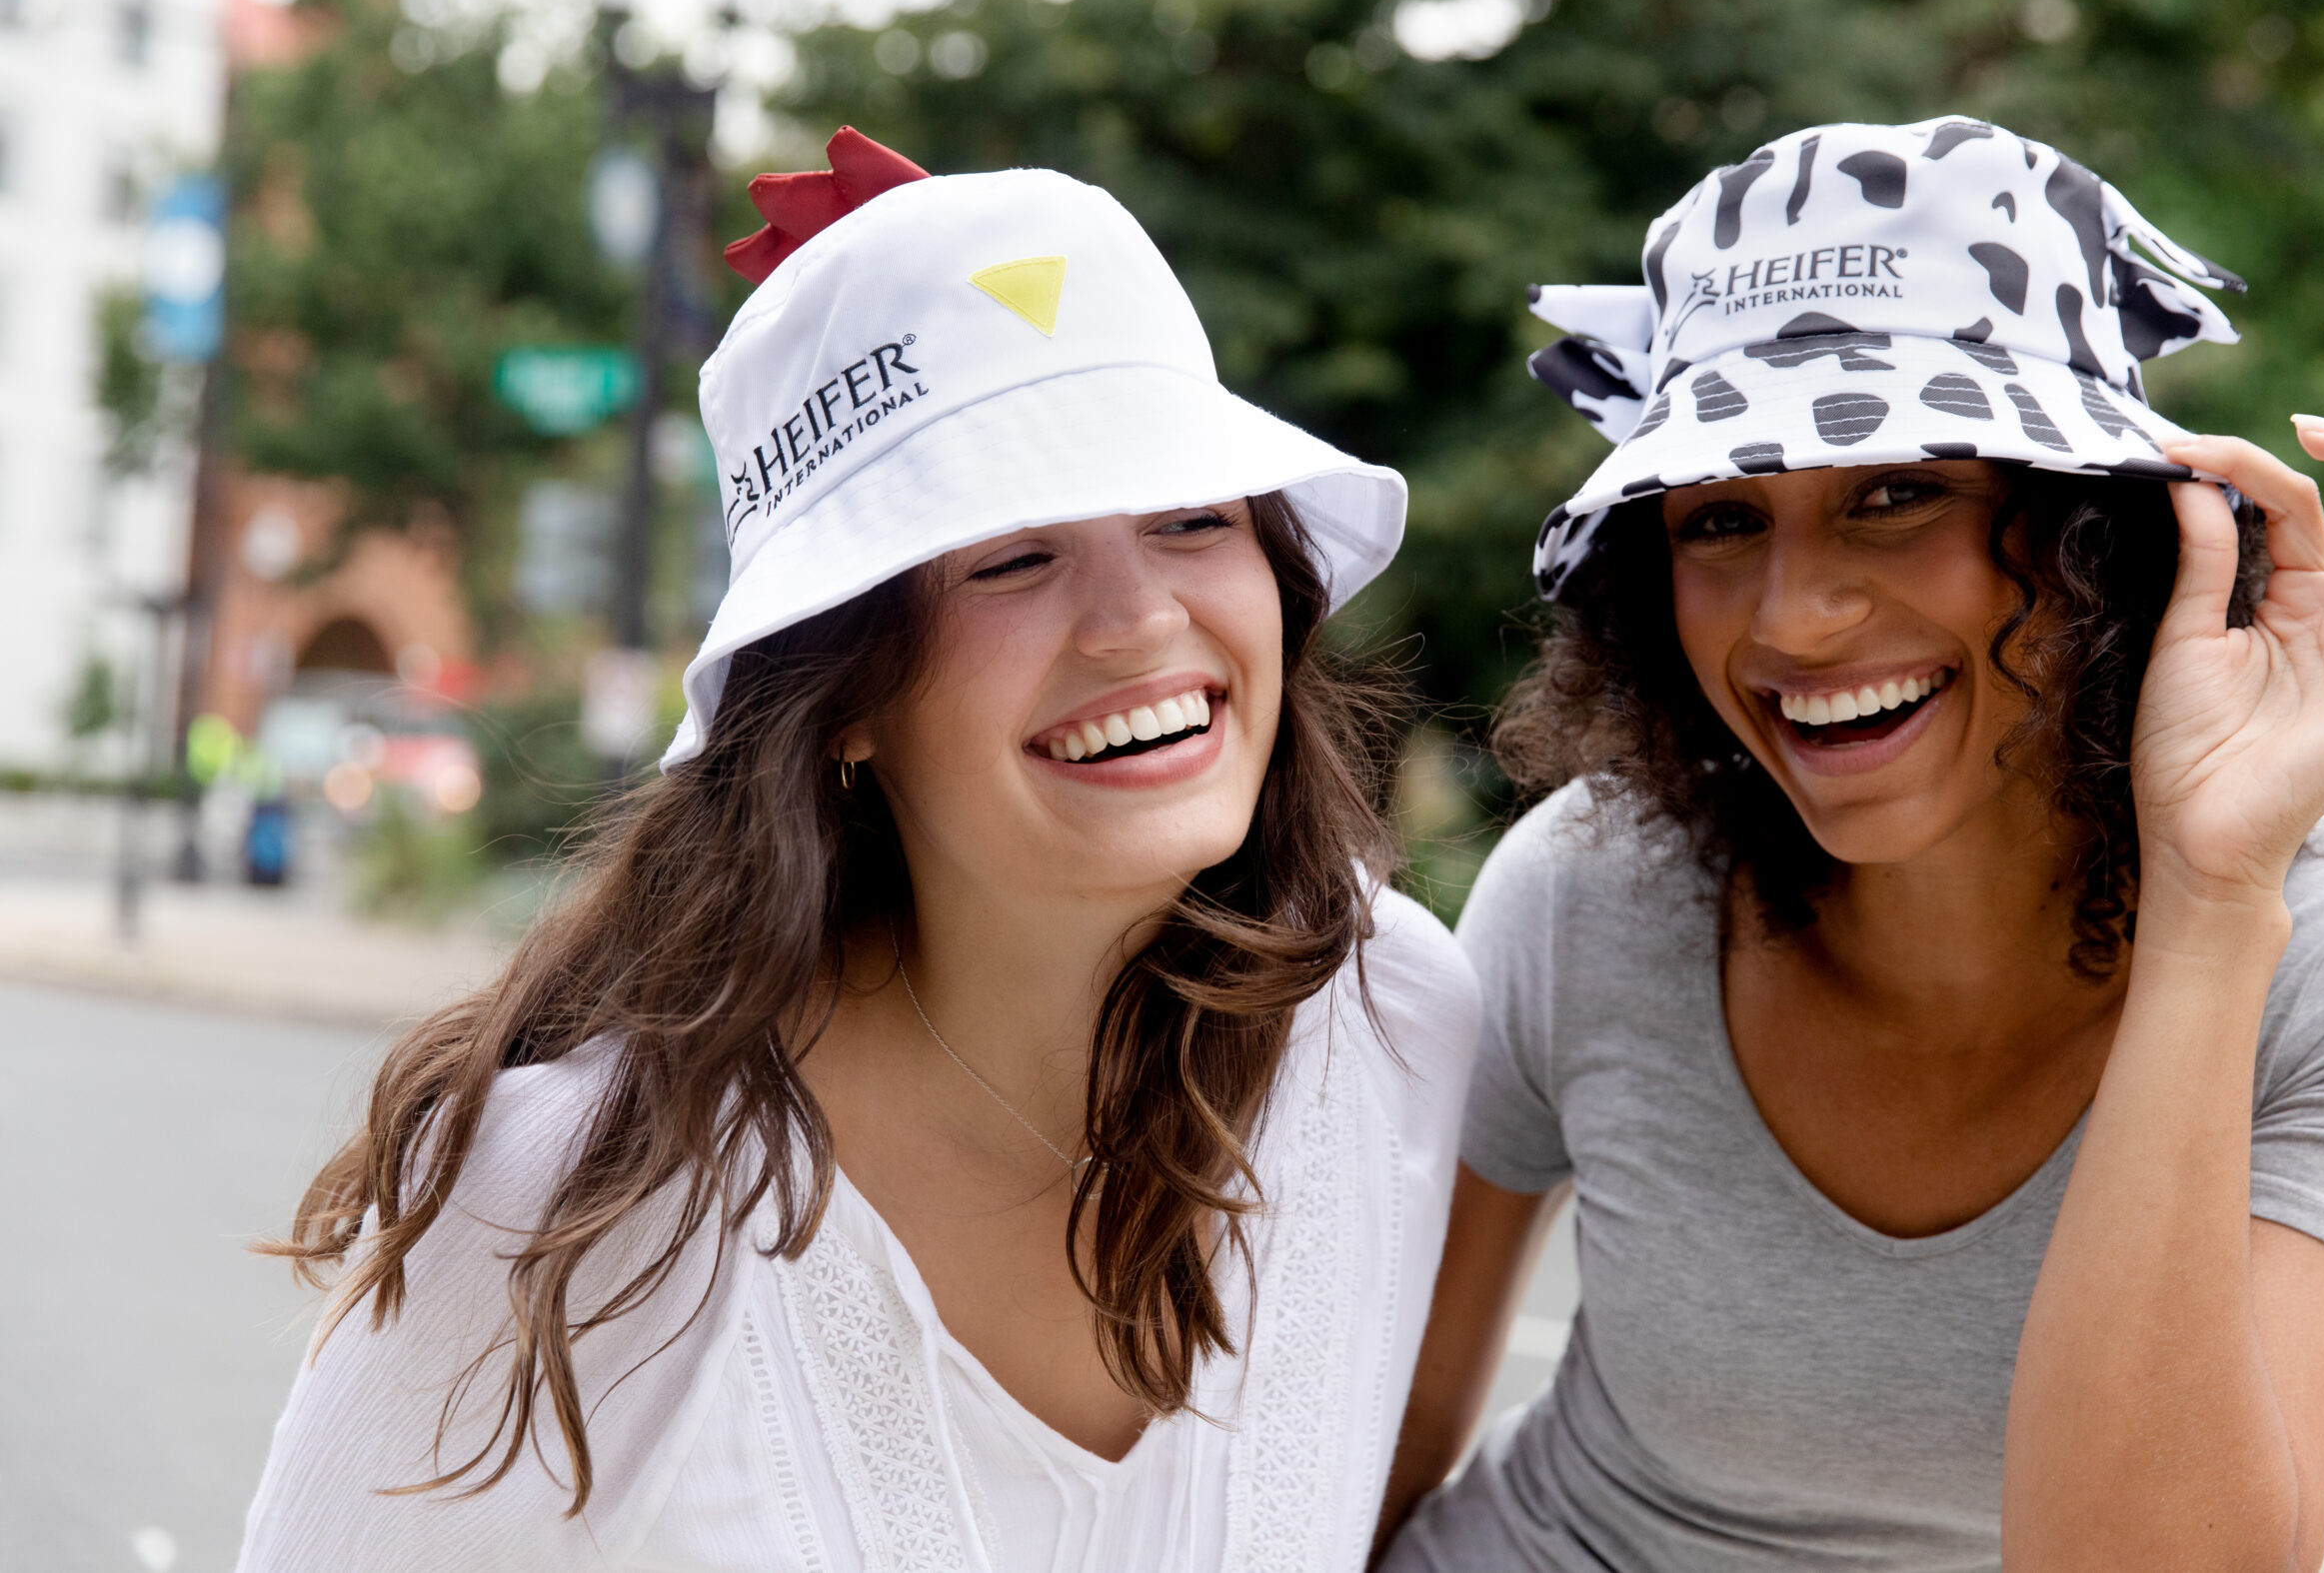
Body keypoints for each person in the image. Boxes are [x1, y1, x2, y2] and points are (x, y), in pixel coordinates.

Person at [238, 129, 1478, 1572]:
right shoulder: (567, 1199)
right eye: (1012, 558)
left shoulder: (1391, 1018)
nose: (1141, 619)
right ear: (843, 698)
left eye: (1194, 516)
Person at [1374, 117, 2324, 1572]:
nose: (1793, 618)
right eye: (1722, 520)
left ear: (2100, 540)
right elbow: (1361, 1446)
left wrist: (2213, 904)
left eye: (1896, 494)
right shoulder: (1589, 889)